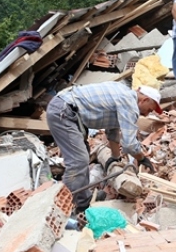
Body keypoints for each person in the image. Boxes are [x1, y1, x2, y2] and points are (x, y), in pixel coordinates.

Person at [45, 82, 161, 213]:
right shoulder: (130, 104)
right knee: (78, 160)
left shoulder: (123, 94)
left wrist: (115, 158)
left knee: (82, 156)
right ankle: (67, 206)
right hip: (64, 112)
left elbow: (112, 130)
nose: (146, 115)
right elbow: (129, 144)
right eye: (149, 110)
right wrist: (142, 158)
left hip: (67, 110)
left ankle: (83, 198)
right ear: (144, 100)